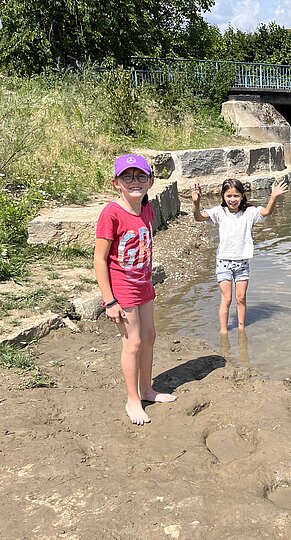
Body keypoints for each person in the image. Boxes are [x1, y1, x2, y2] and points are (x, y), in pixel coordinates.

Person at [94, 154, 176, 426]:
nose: (135, 182)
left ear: (151, 181)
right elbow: (99, 258)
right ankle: (132, 400)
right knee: (134, 342)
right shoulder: (111, 213)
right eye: (127, 176)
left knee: (150, 337)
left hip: (144, 284)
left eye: (141, 176)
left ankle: (147, 389)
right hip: (122, 289)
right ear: (116, 182)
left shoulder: (147, 209)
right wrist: (109, 300)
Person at [192, 178, 288, 333]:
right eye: (228, 196)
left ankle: (242, 330)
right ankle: (224, 331)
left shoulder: (249, 212)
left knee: (241, 297)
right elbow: (199, 217)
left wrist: (273, 197)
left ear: (242, 196)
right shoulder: (219, 212)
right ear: (223, 196)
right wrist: (196, 203)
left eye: (236, 196)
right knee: (227, 298)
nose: (232, 199)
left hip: (242, 263)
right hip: (224, 262)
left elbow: (266, 212)